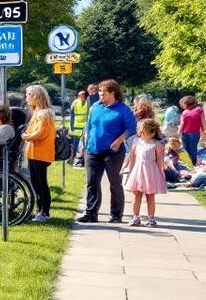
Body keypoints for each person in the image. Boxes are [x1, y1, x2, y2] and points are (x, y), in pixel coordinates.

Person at [77, 79, 138, 224]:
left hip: (113, 152)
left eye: (103, 93)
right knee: (92, 182)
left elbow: (131, 128)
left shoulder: (123, 109)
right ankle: (91, 213)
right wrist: (85, 145)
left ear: (113, 93)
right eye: (99, 93)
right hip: (93, 150)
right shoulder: (95, 107)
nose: (100, 96)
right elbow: (89, 126)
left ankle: (116, 215)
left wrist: (119, 140)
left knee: (114, 183)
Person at [122, 119, 168, 227]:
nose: (140, 134)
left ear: (152, 133)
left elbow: (160, 160)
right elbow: (132, 156)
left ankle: (151, 218)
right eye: (140, 132)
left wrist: (162, 171)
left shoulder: (156, 144)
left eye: (143, 132)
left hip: (150, 172)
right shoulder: (137, 142)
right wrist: (128, 168)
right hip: (138, 171)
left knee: (150, 195)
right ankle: (135, 218)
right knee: (136, 194)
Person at [21, 85, 57, 222]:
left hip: (39, 153)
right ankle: (40, 210)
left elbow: (41, 133)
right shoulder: (39, 112)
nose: (26, 97)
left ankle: (44, 212)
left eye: (29, 94)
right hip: (35, 152)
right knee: (38, 182)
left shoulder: (43, 114)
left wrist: (27, 136)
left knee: (40, 183)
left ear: (36, 96)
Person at [178, 95, 204, 166]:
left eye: (182, 103)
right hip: (195, 133)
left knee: (186, 150)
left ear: (187, 103)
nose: (181, 105)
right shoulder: (199, 110)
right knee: (193, 150)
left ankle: (188, 165)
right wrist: (204, 131)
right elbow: (203, 122)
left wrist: (178, 133)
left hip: (185, 133)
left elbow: (182, 124)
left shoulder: (185, 112)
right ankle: (193, 165)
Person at [69, 89, 90, 168]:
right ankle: (73, 159)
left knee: (85, 145)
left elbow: (89, 115)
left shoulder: (88, 103)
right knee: (75, 145)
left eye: (80, 95)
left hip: (85, 127)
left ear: (84, 96)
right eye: (78, 95)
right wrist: (72, 126)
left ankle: (84, 160)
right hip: (76, 126)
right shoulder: (75, 102)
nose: (78, 97)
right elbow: (72, 115)